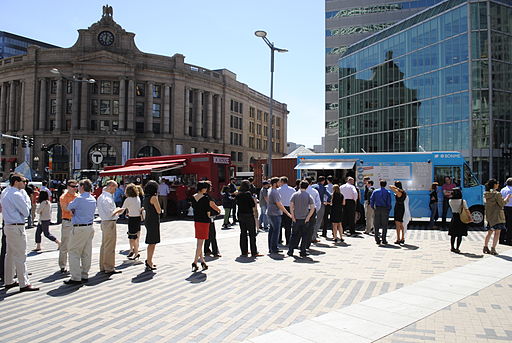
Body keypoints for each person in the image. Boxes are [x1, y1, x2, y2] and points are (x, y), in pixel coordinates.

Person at [1, 174, 39, 291]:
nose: (25, 183)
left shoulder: (5, 192)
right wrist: (26, 201)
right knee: (20, 255)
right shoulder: (17, 194)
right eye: (23, 181)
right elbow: (26, 211)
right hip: (17, 226)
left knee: (10, 254)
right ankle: (24, 283)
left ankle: (9, 280)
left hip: (8, 225)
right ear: (16, 181)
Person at [64, 179, 97, 285]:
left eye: (78, 186)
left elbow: (69, 207)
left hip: (79, 227)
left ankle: (75, 277)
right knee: (86, 252)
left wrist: (74, 210)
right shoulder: (92, 199)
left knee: (74, 252)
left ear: (82, 187)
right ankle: (84, 274)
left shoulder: (79, 199)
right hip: (89, 226)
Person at [191, 182, 220, 271]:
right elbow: (208, 212)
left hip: (196, 220)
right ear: (203, 188)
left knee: (199, 241)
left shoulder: (193, 197)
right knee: (200, 243)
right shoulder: (206, 198)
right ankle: (195, 262)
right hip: (204, 221)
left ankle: (203, 261)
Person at [97, 180, 123, 275]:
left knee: (104, 245)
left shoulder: (102, 197)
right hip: (109, 222)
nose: (115, 190)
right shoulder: (107, 198)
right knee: (109, 246)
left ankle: (103, 266)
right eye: (115, 188)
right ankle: (109, 267)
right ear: (110, 186)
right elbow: (110, 214)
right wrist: (118, 210)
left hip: (105, 222)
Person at [288, 180, 315, 258]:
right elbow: (313, 208)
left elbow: (291, 206)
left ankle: (290, 251)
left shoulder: (295, 195)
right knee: (304, 236)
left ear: (299, 186)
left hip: (296, 218)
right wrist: (308, 217)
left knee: (293, 235)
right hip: (304, 219)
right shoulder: (308, 196)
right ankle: (303, 251)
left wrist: (292, 216)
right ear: (307, 187)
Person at [484, 179, 511, 255]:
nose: (498, 184)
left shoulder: (486, 193)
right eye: (497, 183)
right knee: (497, 232)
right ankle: (493, 248)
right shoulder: (497, 194)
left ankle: (485, 246)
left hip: (490, 216)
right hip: (497, 216)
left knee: (489, 232)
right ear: (494, 185)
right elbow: (502, 203)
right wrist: (507, 198)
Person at [267, 177, 292, 254]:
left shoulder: (270, 190)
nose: (280, 184)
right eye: (278, 182)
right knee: (275, 231)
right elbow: (279, 204)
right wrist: (287, 213)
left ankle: (271, 247)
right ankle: (274, 248)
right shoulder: (275, 192)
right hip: (275, 213)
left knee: (271, 230)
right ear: (275, 184)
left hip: (270, 212)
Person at [236, 180, 261, 257]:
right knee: (252, 234)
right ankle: (254, 251)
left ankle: (244, 251)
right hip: (248, 215)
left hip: (240, 214)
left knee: (243, 233)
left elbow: (237, 203)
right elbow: (253, 204)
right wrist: (255, 213)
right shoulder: (248, 194)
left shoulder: (238, 194)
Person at [58, 180, 79, 273]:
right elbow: (65, 208)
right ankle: (62, 265)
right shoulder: (64, 197)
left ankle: (74, 265)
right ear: (68, 187)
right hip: (67, 222)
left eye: (76, 186)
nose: (75, 188)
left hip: (76, 222)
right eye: (73, 186)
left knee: (75, 244)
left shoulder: (78, 196)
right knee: (65, 244)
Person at [121, 183, 143, 260]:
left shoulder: (128, 199)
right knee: (136, 236)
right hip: (138, 218)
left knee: (132, 237)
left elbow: (122, 209)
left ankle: (136, 252)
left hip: (132, 218)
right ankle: (133, 251)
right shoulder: (137, 198)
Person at [143, 180, 161, 271]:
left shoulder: (145, 197)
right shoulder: (154, 197)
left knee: (151, 241)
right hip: (153, 220)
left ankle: (149, 260)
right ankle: (149, 261)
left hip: (148, 220)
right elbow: (158, 210)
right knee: (152, 242)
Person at [448, 188, 469, 253]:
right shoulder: (463, 201)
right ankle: (457, 248)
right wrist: (470, 218)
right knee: (460, 235)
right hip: (461, 218)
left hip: (454, 217)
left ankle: (452, 247)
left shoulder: (450, 201)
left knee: (453, 234)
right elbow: (466, 210)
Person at [370, 180, 392, 245]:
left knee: (376, 224)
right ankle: (384, 239)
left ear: (380, 184)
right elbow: (389, 202)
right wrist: (388, 209)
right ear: (385, 184)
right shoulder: (388, 192)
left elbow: (371, 200)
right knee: (384, 225)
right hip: (384, 209)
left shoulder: (375, 191)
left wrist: (373, 207)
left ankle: (377, 239)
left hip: (377, 208)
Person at [204, 181, 221, 258]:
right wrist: (218, 210)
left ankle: (206, 250)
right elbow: (212, 204)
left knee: (207, 234)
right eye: (210, 186)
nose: (211, 187)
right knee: (212, 234)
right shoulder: (208, 196)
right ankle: (215, 251)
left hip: (203, 217)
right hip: (210, 217)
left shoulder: (200, 195)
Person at [278, 176, 296, 245]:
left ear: (282, 182)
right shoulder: (292, 190)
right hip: (289, 208)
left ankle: (279, 240)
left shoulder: (278, 190)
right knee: (288, 226)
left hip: (280, 208)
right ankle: (288, 240)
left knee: (279, 225)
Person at [312, 176, 331, 241]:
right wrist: (327, 201)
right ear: (323, 181)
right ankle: (313, 236)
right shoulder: (323, 188)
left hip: (311, 205)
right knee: (318, 221)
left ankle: (309, 235)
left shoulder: (312, 186)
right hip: (320, 204)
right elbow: (329, 195)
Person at [305, 178, 321, 247]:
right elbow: (318, 203)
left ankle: (302, 243)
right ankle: (308, 243)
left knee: (302, 227)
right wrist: (315, 210)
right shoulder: (314, 191)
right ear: (311, 183)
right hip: (312, 210)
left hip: (302, 211)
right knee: (310, 227)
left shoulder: (300, 191)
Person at [500, 177, 512, 245]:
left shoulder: (502, 189)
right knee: (510, 225)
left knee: (503, 224)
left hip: (504, 207)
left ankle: (501, 239)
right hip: (511, 207)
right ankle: (508, 239)